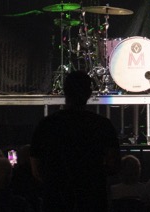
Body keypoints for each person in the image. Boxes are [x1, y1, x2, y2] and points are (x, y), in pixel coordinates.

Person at [29, 70, 121, 212]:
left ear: (65, 92)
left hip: (56, 200)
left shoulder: (47, 125)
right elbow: (114, 165)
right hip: (92, 199)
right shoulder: (102, 125)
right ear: (89, 94)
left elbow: (36, 168)